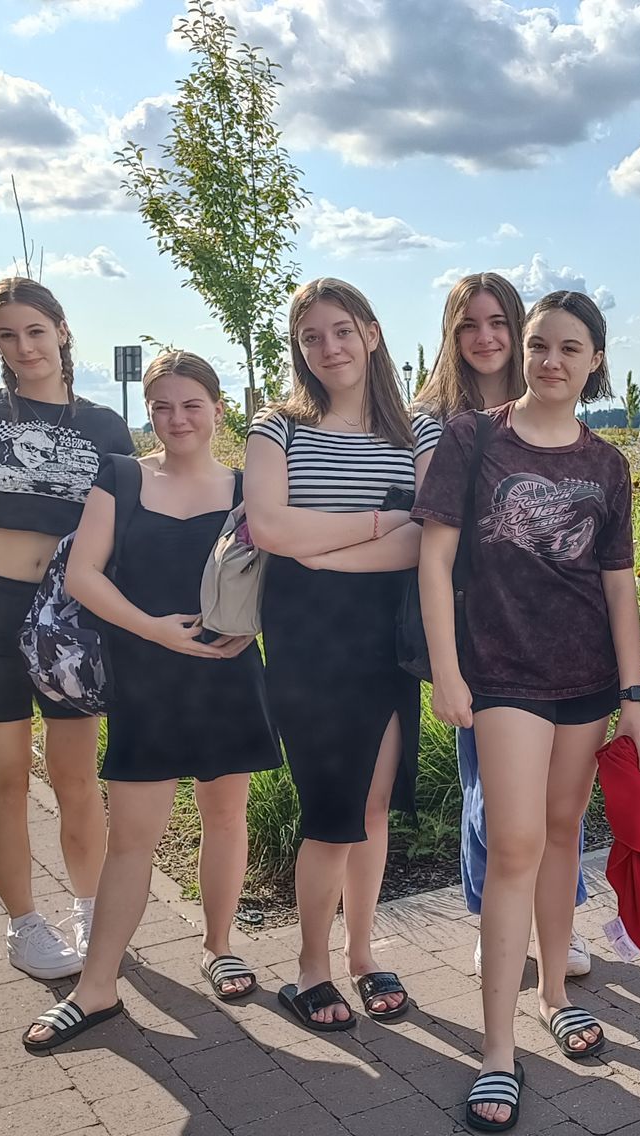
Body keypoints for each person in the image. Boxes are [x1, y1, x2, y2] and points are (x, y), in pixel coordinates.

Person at [415, 290, 640, 1133]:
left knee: (563, 834)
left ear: (597, 360)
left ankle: (556, 993)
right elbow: (435, 560)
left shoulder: (607, 463)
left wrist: (634, 695)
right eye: (538, 344)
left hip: (586, 678)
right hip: (502, 674)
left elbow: (619, 586)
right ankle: (495, 1050)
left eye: (570, 348)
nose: (551, 360)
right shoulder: (474, 437)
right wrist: (447, 673)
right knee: (515, 843)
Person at [22, 351, 280, 1051]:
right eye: (162, 406)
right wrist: (155, 630)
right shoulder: (122, 476)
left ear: (218, 408)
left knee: (225, 817)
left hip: (227, 675)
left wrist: (253, 629)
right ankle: (96, 986)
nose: (177, 419)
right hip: (147, 678)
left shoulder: (246, 486)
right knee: (132, 839)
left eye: (191, 404)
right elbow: (84, 575)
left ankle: (219, 946)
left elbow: (277, 573)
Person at [0, 278, 129, 981]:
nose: (24, 347)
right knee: (4, 777)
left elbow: (125, 525)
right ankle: (24, 925)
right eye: (6, 335)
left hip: (67, 616)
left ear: (61, 330)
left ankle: (94, 911)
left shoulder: (104, 426)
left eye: (35, 331)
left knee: (75, 777)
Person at [245, 279, 438, 1033]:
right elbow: (268, 528)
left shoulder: (414, 430)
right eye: (311, 337)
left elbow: (427, 537)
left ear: (372, 334)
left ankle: (362, 955)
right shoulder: (277, 427)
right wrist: (377, 523)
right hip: (306, 642)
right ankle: (310, 969)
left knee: (373, 807)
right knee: (330, 814)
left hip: (385, 642)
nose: (328, 348)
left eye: (341, 331)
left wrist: (322, 549)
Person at [414, 273, 593, 982]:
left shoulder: (552, 404)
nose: (485, 338)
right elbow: (433, 536)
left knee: (557, 804)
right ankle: (497, 917)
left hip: (555, 639)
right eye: (469, 325)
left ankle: (558, 921)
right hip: (477, 629)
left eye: (497, 323)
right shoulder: (441, 422)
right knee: (491, 792)